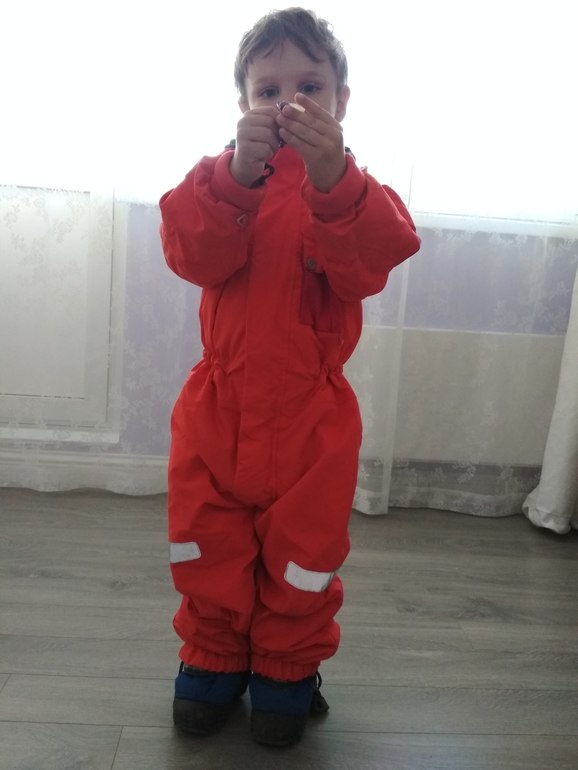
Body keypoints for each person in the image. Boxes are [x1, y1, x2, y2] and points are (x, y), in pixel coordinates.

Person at [159, 7, 420, 748]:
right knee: (205, 537)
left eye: (310, 86)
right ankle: (212, 655)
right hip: (218, 407)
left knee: (304, 552)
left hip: (312, 420)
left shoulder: (356, 193)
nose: (289, 103)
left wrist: (335, 181)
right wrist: (235, 178)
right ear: (243, 103)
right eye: (268, 89)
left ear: (342, 101)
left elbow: (370, 265)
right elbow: (190, 254)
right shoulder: (216, 181)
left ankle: (286, 668)